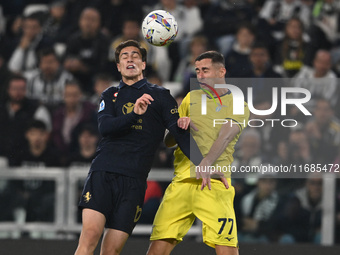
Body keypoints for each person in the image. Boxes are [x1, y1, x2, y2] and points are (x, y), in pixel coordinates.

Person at [74, 40, 203, 255]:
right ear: (118, 67)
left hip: (134, 181)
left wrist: (204, 163)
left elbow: (178, 133)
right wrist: (134, 113)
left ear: (143, 64)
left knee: (111, 251)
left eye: (135, 55)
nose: (130, 59)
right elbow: (105, 127)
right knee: (89, 236)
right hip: (103, 173)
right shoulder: (110, 95)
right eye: (124, 56)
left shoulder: (161, 96)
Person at [147, 51, 249, 255]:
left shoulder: (238, 103)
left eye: (205, 70)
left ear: (221, 72)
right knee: (156, 251)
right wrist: (178, 127)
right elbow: (168, 141)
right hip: (182, 183)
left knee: (227, 251)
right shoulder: (191, 98)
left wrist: (207, 162)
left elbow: (226, 135)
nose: (200, 76)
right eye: (197, 71)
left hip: (215, 184)